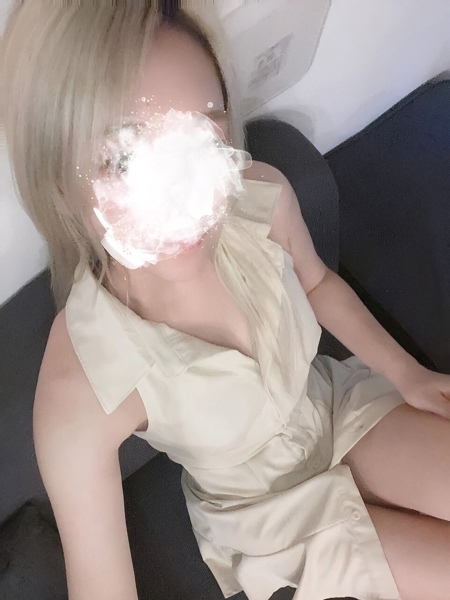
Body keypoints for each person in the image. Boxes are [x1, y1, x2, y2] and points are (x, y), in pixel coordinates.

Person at [2, 2, 450, 599]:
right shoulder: (81, 383)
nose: (185, 197)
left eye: (200, 138)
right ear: (59, 180)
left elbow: (316, 283)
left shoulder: (258, 193)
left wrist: (407, 372)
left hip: (337, 410)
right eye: (125, 159)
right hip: (264, 518)